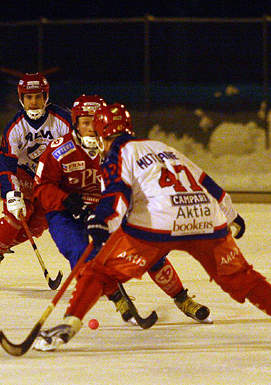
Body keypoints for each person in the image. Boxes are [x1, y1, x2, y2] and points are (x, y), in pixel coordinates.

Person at [32, 103, 271, 351]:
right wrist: (231, 215)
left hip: (161, 222)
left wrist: (101, 222)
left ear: (103, 134)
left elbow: (117, 191)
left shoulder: (117, 152)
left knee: (99, 270)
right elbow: (206, 181)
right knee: (241, 276)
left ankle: (69, 324)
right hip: (206, 218)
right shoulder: (162, 147)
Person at [33, 95, 212, 330]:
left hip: (105, 207)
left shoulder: (118, 149)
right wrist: (67, 200)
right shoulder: (58, 150)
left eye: (95, 122)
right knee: (80, 253)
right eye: (85, 122)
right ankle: (119, 300)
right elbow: (41, 187)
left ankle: (182, 298)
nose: (91, 129)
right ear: (75, 123)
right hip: (66, 211)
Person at [0, 73, 73, 286]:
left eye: (38, 96)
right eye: (28, 97)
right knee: (20, 212)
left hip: (50, 178)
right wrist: (11, 192)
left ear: (46, 97)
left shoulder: (63, 120)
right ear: (21, 99)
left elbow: (74, 155)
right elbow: (5, 163)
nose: (34, 102)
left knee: (38, 226)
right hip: (24, 174)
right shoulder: (15, 127)